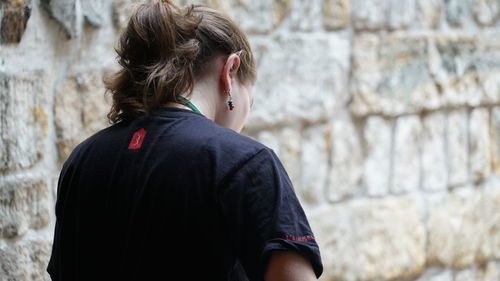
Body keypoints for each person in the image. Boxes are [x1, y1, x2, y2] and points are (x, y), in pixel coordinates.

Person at [47, 0, 323, 280]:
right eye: (249, 100)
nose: (242, 124)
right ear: (229, 71)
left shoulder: (82, 160)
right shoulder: (243, 161)